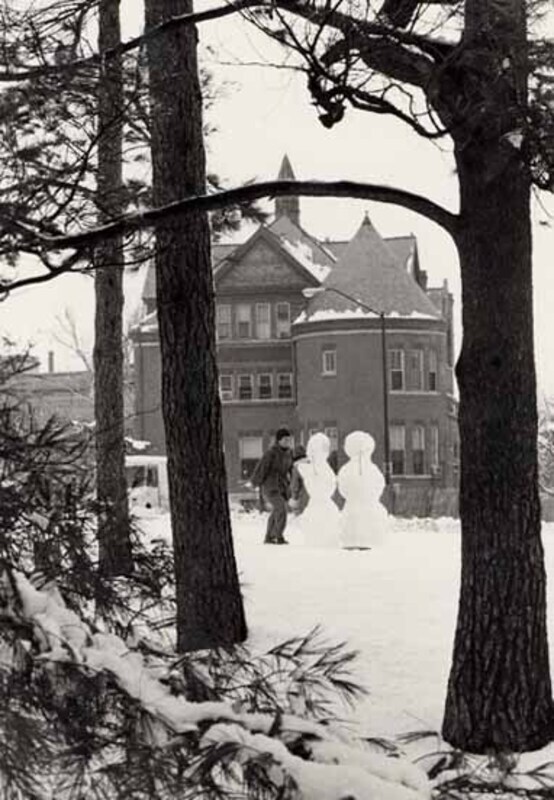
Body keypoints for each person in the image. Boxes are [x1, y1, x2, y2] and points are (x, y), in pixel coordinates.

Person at [250, 428, 293, 544]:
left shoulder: (288, 453)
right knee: (281, 509)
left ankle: (269, 537)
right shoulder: (271, 453)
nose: (287, 442)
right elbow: (261, 468)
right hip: (270, 486)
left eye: (289, 439)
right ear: (278, 440)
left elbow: (290, 469)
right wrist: (254, 482)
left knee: (276, 511)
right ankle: (278, 536)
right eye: (285, 439)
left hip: (281, 487)